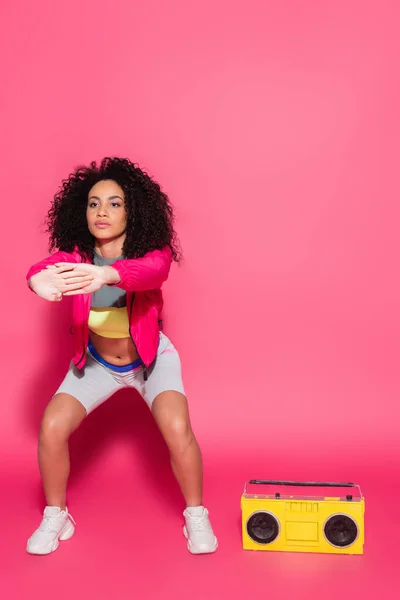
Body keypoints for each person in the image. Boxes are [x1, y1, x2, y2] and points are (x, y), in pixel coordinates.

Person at [25, 157, 218, 556]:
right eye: (94, 203)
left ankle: (196, 514)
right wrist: (36, 279)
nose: (102, 212)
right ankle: (56, 513)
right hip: (96, 364)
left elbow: (153, 271)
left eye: (115, 203)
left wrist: (108, 275)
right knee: (51, 427)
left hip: (150, 361)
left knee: (177, 427)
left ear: (133, 210)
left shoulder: (152, 252)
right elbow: (45, 267)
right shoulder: (77, 257)